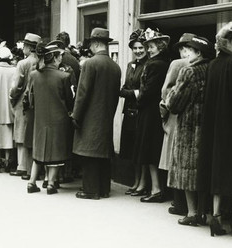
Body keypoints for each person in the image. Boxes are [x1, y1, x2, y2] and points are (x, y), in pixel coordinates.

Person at [198, 19, 232, 237]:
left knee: (216, 171)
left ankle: (215, 215)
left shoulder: (214, 64)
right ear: (227, 42)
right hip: (231, 130)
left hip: (213, 128)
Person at [165, 35, 213, 226]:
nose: (186, 54)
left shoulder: (188, 72)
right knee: (203, 172)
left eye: (190, 51)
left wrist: (168, 100)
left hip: (189, 127)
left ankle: (192, 212)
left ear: (198, 53)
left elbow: (174, 103)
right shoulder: (212, 69)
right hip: (208, 127)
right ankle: (206, 211)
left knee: (187, 170)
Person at [72, 28, 121, 200]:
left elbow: (82, 93)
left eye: (91, 44)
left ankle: (90, 190)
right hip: (106, 115)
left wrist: (76, 115)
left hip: (90, 116)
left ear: (96, 44)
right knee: (103, 152)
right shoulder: (116, 67)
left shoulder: (90, 64)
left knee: (89, 152)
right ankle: (104, 189)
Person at [26, 42, 75, 194]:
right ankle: (51, 184)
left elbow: (30, 97)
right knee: (56, 153)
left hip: (40, 118)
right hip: (59, 119)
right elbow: (69, 100)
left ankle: (31, 182)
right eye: (60, 55)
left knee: (39, 151)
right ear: (54, 58)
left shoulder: (34, 75)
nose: (61, 58)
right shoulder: (64, 77)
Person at [133, 28, 171, 203]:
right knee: (151, 151)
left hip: (150, 112)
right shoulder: (162, 63)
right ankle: (156, 188)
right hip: (153, 111)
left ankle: (156, 189)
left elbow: (148, 91)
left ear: (160, 47)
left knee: (150, 151)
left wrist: (139, 98)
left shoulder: (155, 64)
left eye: (152, 46)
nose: (148, 50)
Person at [158, 33, 194, 214]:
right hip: (192, 119)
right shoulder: (204, 64)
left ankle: (179, 203)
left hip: (175, 115)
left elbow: (166, 90)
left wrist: (163, 113)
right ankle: (188, 205)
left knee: (174, 159)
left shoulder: (177, 64)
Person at [119, 29, 148, 194]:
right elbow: (122, 89)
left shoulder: (147, 65)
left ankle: (143, 183)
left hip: (140, 113)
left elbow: (142, 92)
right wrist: (134, 93)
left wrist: (132, 93)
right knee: (131, 150)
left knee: (140, 150)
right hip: (129, 113)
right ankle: (136, 181)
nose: (138, 51)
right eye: (135, 48)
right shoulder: (130, 65)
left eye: (141, 48)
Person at [9, 33, 41, 178]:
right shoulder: (40, 61)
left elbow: (16, 86)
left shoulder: (23, 63)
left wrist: (11, 97)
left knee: (21, 134)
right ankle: (34, 167)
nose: (23, 49)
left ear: (29, 47)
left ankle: (22, 166)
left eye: (25, 46)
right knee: (33, 134)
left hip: (23, 101)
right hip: (38, 102)